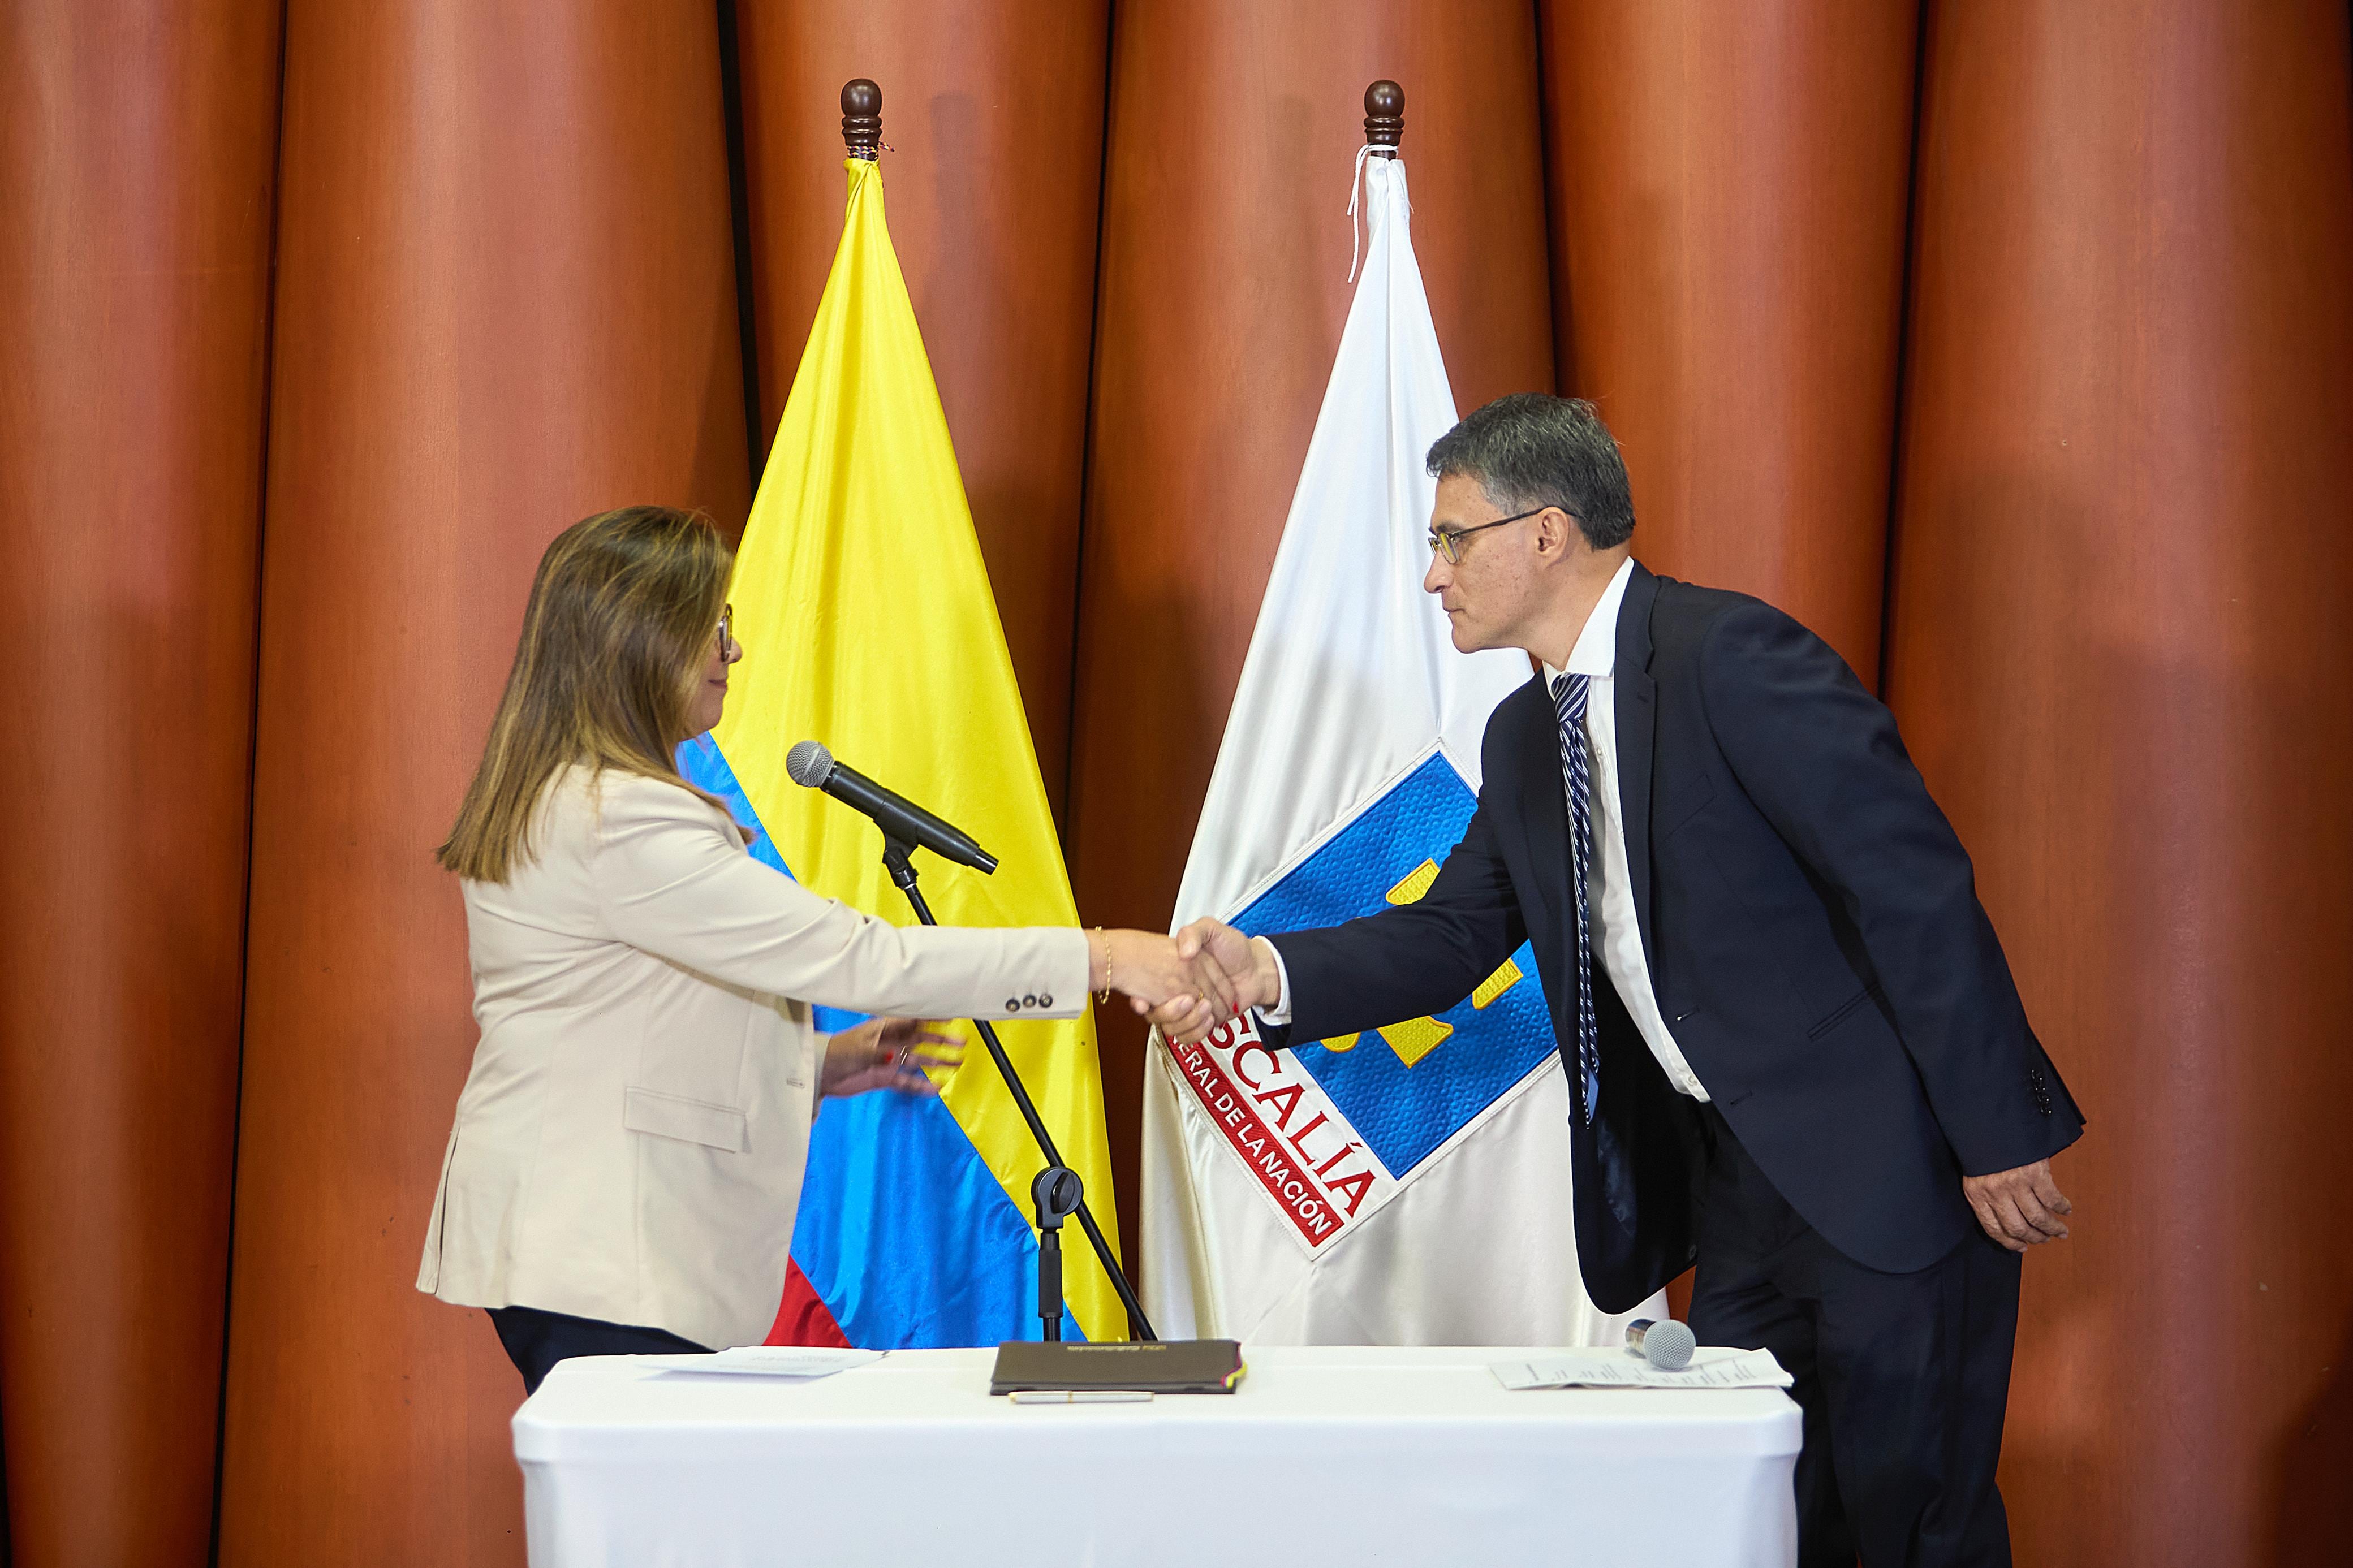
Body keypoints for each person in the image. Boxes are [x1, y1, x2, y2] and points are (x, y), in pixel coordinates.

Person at [1161, 395, 2083, 1567]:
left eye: (1454, 538)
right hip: (1738, 1202)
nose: (1434, 573)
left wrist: (1993, 1129)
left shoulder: (1732, 656)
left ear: (1546, 534)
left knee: (1912, 1525)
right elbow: (1452, 937)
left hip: (1888, 1169)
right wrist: (1268, 968)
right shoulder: (1520, 737)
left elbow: (1909, 888)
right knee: (1764, 1518)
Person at [417, 506, 1227, 1394]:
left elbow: (622, 1022)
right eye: (714, 625)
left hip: (575, 1248)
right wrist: (1106, 957)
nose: (733, 651)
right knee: (659, 1526)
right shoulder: (620, 819)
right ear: (640, 639)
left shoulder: (570, 800)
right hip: (603, 1254)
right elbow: (863, 958)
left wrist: (823, 1059)